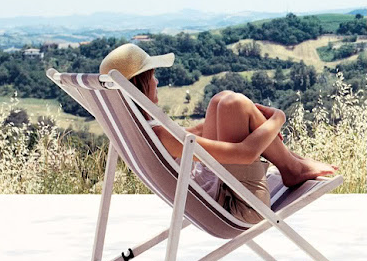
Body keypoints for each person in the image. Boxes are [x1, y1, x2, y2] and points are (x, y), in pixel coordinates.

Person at [100, 43, 337, 224]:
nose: (157, 81)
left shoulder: (140, 129)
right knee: (234, 103)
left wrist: (252, 122)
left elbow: (193, 133)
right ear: (141, 86)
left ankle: (292, 163)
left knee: (222, 101)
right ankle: (293, 167)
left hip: (222, 190)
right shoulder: (161, 136)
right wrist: (278, 118)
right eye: (152, 76)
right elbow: (245, 154)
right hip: (241, 205)